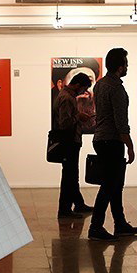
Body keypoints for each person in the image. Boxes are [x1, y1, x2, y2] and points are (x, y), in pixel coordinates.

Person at [89, 48, 137, 241]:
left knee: (114, 184)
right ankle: (96, 227)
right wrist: (130, 145)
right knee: (109, 185)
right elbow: (121, 122)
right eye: (126, 64)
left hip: (100, 139)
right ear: (120, 67)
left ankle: (120, 224)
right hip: (112, 140)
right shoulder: (116, 88)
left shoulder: (100, 84)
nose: (127, 67)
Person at [53, 73, 94, 219]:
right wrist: (79, 116)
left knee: (71, 175)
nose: (84, 92)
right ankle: (64, 210)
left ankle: (78, 204)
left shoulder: (66, 96)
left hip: (70, 141)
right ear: (77, 85)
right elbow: (65, 123)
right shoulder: (67, 98)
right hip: (68, 142)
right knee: (69, 176)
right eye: (83, 88)